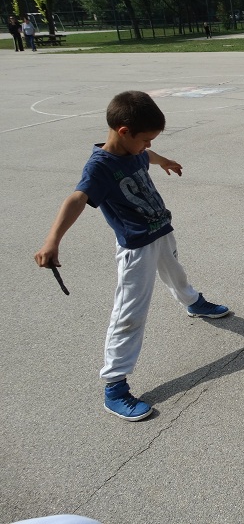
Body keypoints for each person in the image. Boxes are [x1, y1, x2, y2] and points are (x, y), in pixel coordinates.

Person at [33, 91, 230, 422]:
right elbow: (77, 198)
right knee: (129, 313)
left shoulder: (134, 150)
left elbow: (146, 155)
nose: (147, 145)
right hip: (136, 248)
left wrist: (163, 160)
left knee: (176, 273)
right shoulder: (100, 167)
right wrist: (52, 240)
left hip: (160, 230)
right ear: (124, 131)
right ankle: (114, 386)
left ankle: (193, 303)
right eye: (145, 139)